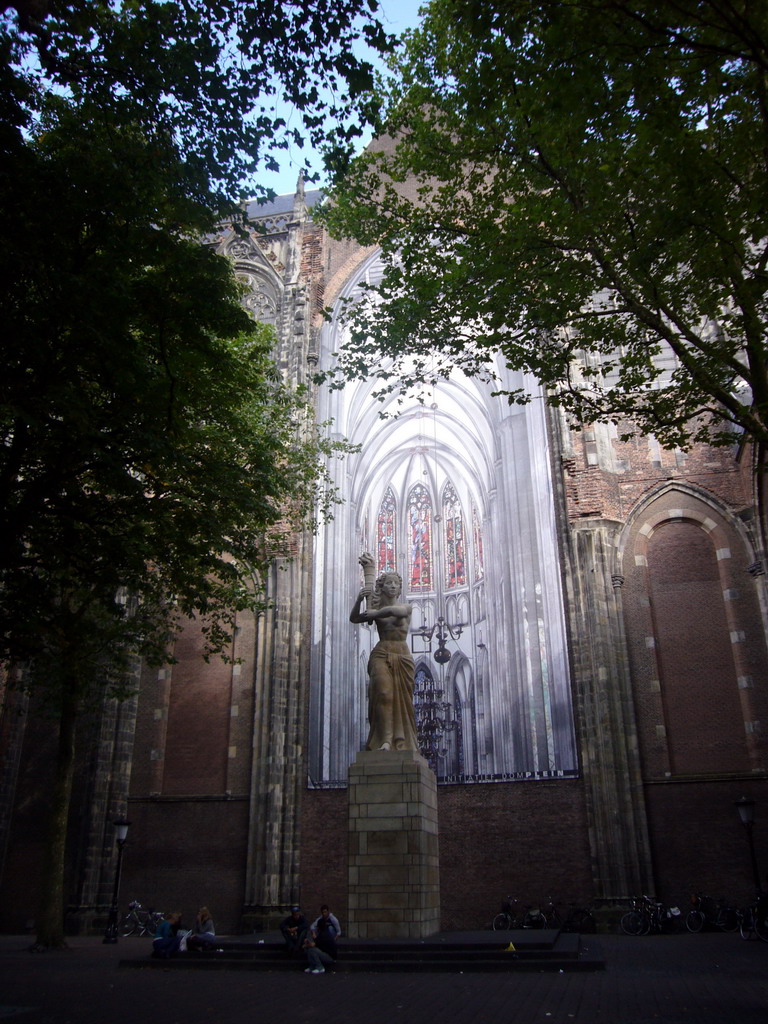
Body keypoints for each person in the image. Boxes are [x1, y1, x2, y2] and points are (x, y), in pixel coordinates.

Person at [349, 553, 419, 752]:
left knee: (403, 702)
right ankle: (385, 741)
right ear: (383, 586)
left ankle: (401, 740)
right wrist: (359, 600)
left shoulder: (405, 607)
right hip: (381, 652)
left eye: (396, 583)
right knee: (383, 693)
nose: (393, 586)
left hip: (402, 655)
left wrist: (375, 613)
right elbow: (354, 619)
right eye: (389, 583)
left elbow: (396, 613)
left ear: (400, 587)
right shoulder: (375, 606)